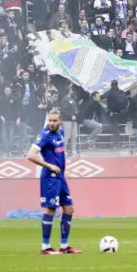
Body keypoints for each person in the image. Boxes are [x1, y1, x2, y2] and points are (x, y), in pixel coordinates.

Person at [26, 108, 82, 255]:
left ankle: (64, 246)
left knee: (69, 209)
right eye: (49, 120)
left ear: (60, 121)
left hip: (60, 177)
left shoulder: (60, 133)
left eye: (54, 120)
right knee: (51, 210)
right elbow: (30, 155)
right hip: (49, 177)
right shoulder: (44, 135)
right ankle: (45, 247)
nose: (51, 123)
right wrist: (49, 165)